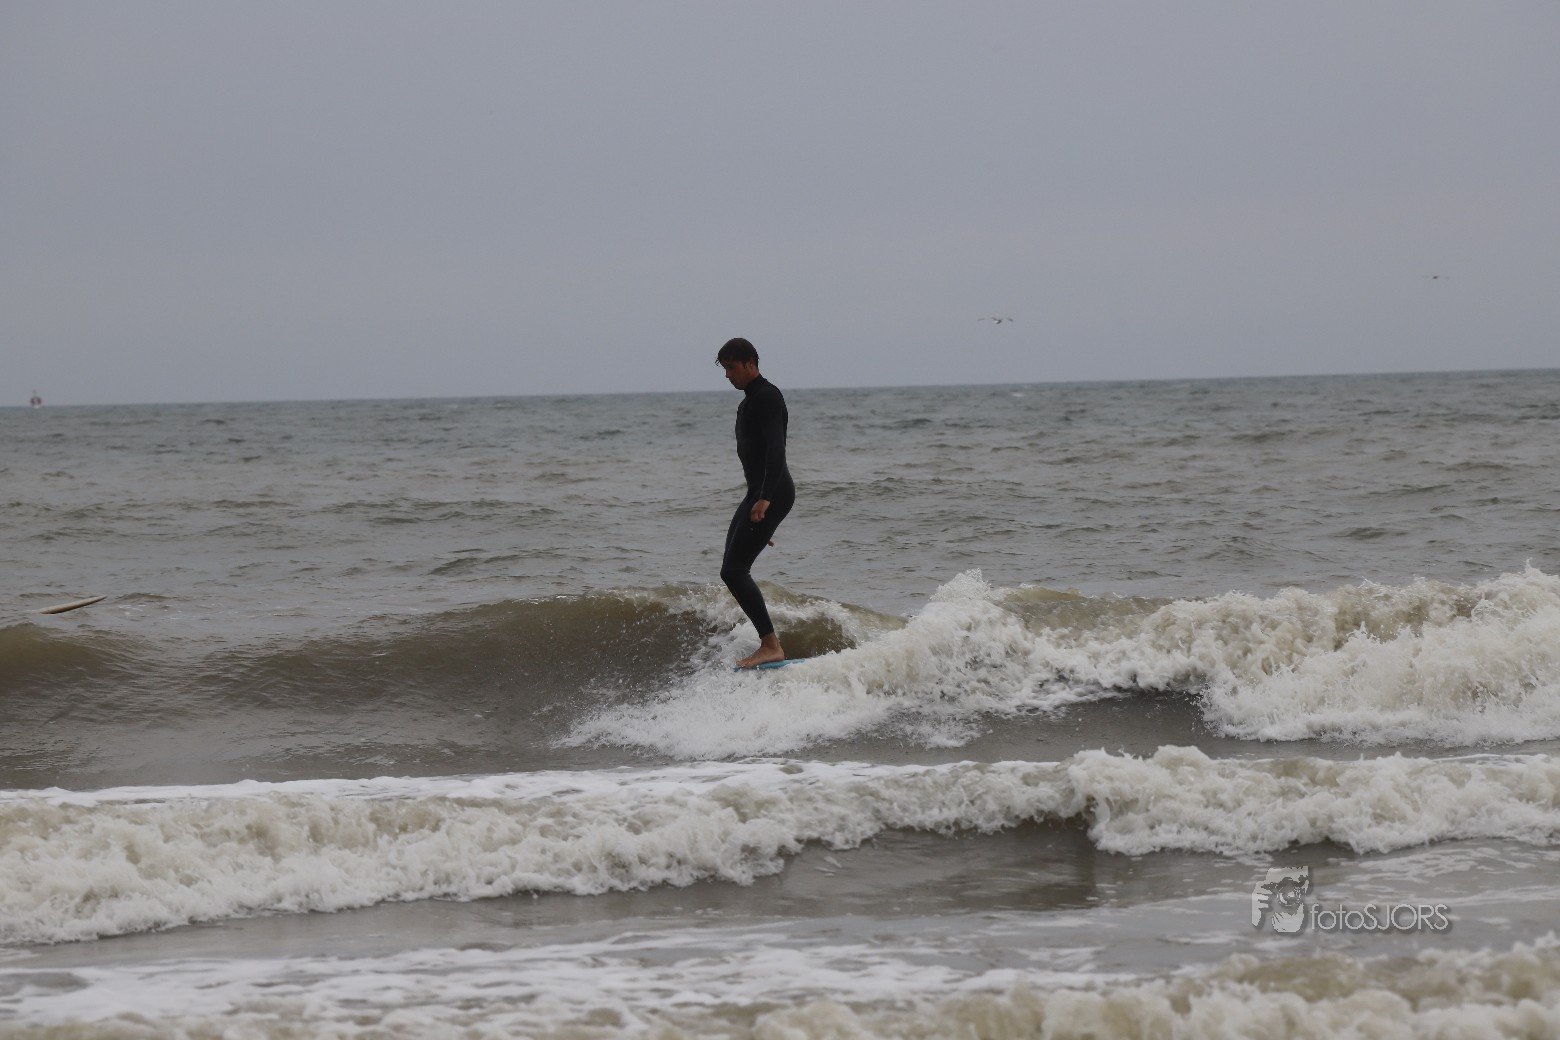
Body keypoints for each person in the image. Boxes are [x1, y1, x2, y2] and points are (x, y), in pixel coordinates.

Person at [716, 337, 796, 667]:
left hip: (770, 491)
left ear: (751, 363)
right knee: (730, 569)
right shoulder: (750, 400)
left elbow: (777, 449)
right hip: (759, 492)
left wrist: (766, 499)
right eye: (724, 369)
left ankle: (771, 645)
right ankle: (769, 642)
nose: (727, 375)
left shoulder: (767, 396)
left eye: (732, 367)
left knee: (734, 570)